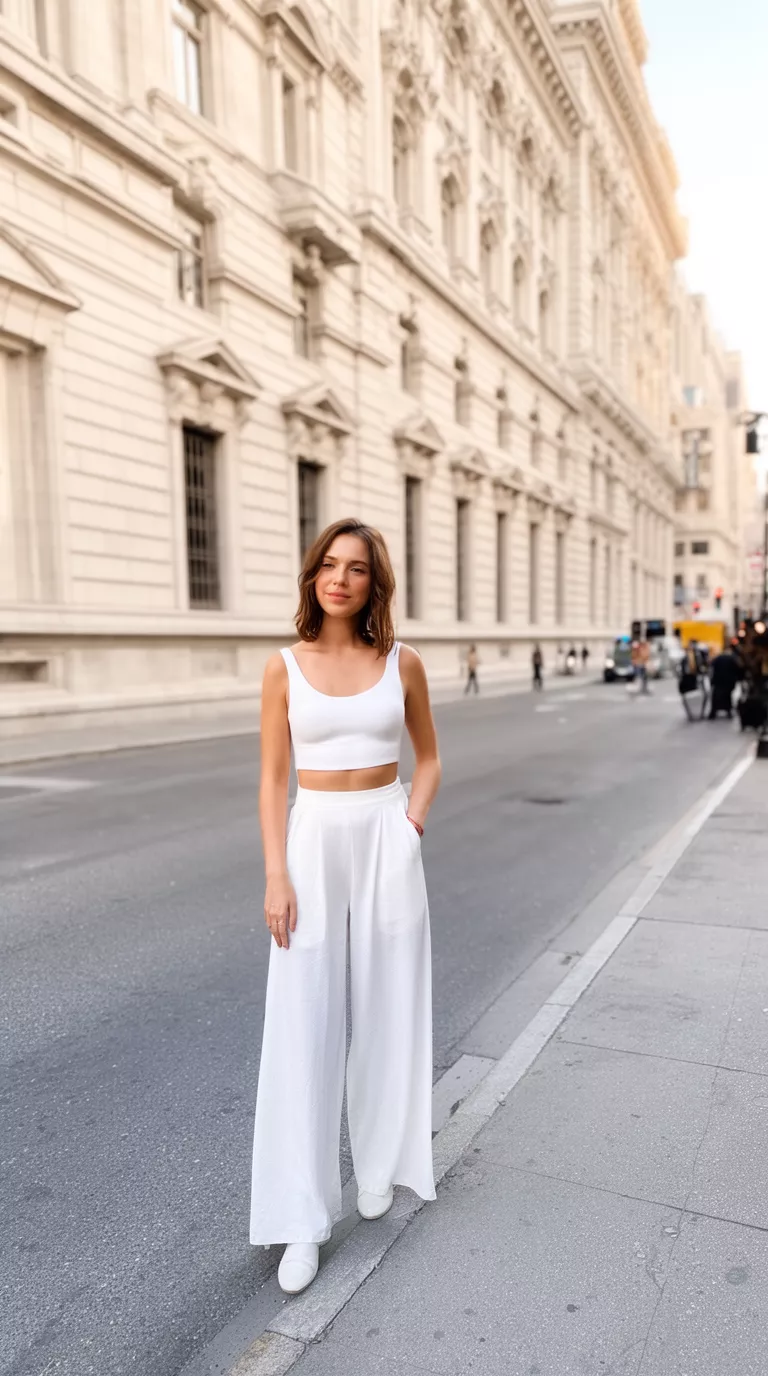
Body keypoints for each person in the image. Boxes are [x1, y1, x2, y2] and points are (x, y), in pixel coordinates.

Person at [250, 518, 441, 1296]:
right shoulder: (282, 668)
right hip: (312, 841)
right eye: (328, 564)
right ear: (312, 576)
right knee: (306, 1022)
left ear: (374, 584)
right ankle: (302, 1217)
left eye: (356, 568)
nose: (339, 578)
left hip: (386, 835)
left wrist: (410, 826)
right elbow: (270, 780)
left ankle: (383, 1165)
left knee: (391, 1006)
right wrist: (275, 874)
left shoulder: (404, 662)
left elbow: (429, 757)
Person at [708, 648, 740, 719]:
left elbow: (711, 667)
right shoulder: (732, 658)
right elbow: (737, 669)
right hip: (729, 681)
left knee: (716, 696)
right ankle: (728, 711)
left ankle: (713, 712)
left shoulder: (718, 658)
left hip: (718, 680)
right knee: (727, 696)